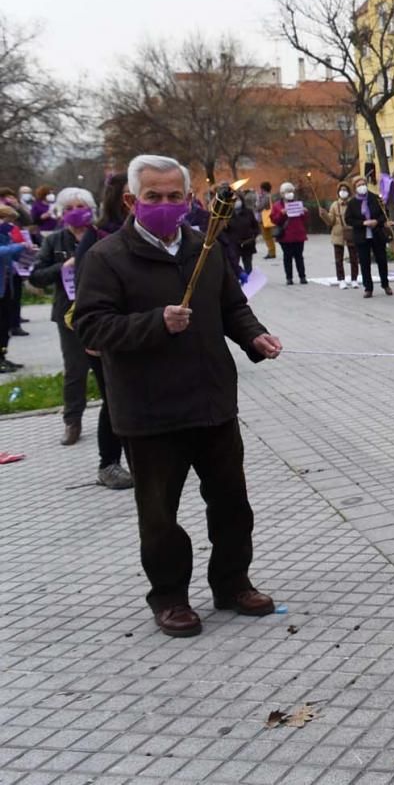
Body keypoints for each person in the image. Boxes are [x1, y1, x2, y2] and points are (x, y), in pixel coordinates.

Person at [74, 154, 283, 638]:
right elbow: (90, 326)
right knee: (159, 515)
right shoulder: (108, 258)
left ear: (190, 200)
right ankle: (169, 597)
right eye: (154, 197)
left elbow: (232, 305)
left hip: (212, 402)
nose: (165, 205)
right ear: (132, 200)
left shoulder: (203, 246)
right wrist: (154, 323)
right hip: (150, 412)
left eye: (174, 197)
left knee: (232, 505)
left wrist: (255, 337)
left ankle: (232, 583)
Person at [28, 187, 134, 488]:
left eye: (81, 205)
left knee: (119, 390)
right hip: (75, 318)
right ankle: (77, 426)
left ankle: (135, 455)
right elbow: (37, 275)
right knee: (80, 375)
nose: (77, 210)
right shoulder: (62, 240)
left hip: (113, 321)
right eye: (71, 206)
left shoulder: (107, 232)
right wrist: (63, 266)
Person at [343, 175, 394, 298]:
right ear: (355, 188)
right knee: (365, 263)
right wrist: (362, 223)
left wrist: (377, 221)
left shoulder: (375, 198)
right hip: (362, 236)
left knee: (382, 260)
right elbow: (348, 219)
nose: (362, 187)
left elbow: (384, 214)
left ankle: (385, 284)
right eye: (358, 185)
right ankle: (368, 288)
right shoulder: (352, 202)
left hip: (377, 234)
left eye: (363, 184)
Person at [0, 211, 33, 373]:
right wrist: (18, 246)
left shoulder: (5, 236)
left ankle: (3, 356)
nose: (9, 225)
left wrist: (28, 251)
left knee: (5, 324)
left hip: (6, 284)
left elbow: (11, 257)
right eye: (6, 220)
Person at [320, 182, 360, 289]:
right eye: (341, 190)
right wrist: (324, 215)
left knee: (354, 258)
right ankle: (341, 279)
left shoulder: (353, 203)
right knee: (338, 259)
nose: (343, 192)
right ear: (338, 192)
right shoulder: (334, 205)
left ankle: (354, 279)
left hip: (351, 233)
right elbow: (330, 221)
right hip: (338, 235)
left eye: (345, 190)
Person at [270, 182, 309, 285]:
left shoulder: (298, 203)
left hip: (298, 234)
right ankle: (289, 277)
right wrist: (281, 213)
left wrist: (304, 212)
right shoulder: (277, 206)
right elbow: (274, 220)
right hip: (285, 236)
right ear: (282, 194)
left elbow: (304, 220)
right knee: (287, 257)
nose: (290, 194)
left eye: (291, 191)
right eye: (287, 192)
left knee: (299, 256)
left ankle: (302, 276)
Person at [227, 193, 260, 276]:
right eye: (234, 200)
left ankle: (249, 283)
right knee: (234, 265)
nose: (236, 201)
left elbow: (256, 226)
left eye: (238, 199)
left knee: (248, 265)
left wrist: (253, 236)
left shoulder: (248, 212)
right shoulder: (227, 214)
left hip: (247, 243)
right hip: (234, 244)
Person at [256, 181, 277, 259]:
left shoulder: (265, 197)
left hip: (264, 219)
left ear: (263, 189)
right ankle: (272, 251)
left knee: (267, 237)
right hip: (269, 217)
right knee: (269, 237)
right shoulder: (271, 196)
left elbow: (260, 207)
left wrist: (257, 202)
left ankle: (271, 252)